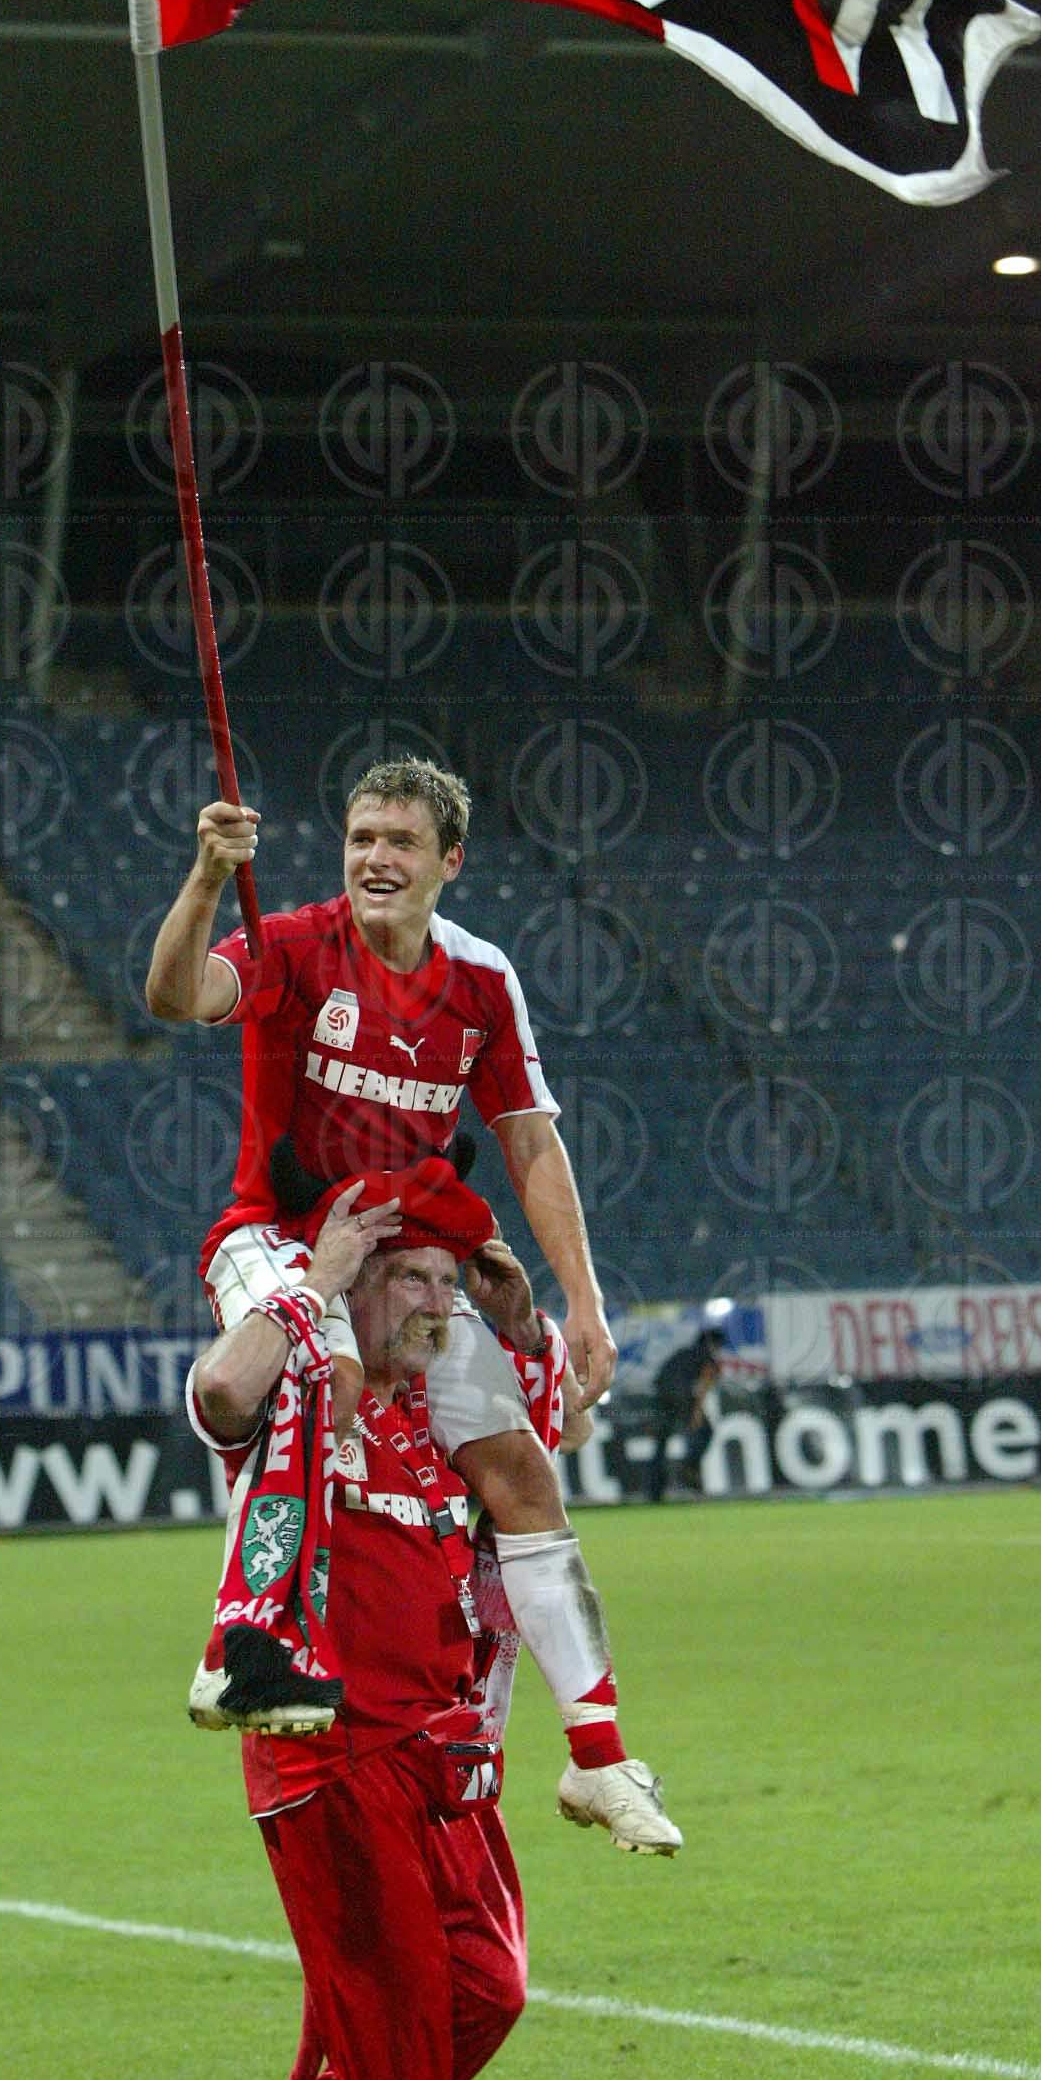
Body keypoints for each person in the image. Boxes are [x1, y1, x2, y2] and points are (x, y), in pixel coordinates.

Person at [147, 754, 680, 1851]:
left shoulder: (481, 978)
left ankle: (597, 1757)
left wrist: (582, 1299)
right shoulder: (294, 943)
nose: (375, 858)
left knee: (523, 1474)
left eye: (399, 841)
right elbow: (176, 994)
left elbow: (529, 1136)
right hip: (279, 1238)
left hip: (411, 1257)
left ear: (450, 859)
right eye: (360, 838)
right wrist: (206, 877)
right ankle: (248, 1640)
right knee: (322, 1373)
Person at [187, 1166, 536, 2080]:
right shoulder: (304, 1398)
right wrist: (316, 1281)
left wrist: (526, 1329)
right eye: (411, 1280)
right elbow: (220, 1386)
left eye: (446, 1283)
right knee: (397, 2045)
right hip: (332, 1758)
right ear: (358, 1291)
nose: (438, 1304)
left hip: (437, 1758)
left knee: (487, 1986)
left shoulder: (436, 1410)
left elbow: (554, 1453)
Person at [647, 1329, 723, 1502]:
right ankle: (689, 1469)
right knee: (705, 1432)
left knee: (660, 1445)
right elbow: (704, 1384)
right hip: (682, 1397)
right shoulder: (707, 1357)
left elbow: (660, 1377)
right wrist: (696, 1412)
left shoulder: (682, 1353)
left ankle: (654, 1492)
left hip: (661, 1397)